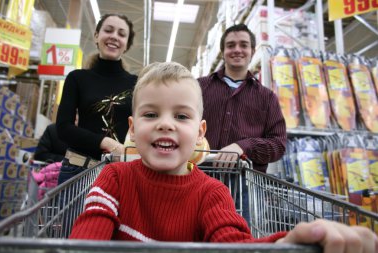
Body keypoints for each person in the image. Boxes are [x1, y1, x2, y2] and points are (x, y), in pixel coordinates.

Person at [69, 62, 378, 252]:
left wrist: (285, 245)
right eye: (151, 114)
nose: (166, 123)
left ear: (200, 132)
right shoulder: (115, 178)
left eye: (181, 115)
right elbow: (91, 229)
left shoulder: (212, 193)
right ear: (133, 130)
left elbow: (232, 242)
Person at [56, 13, 137, 184]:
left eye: (121, 34)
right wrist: (105, 142)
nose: (114, 36)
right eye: (108, 30)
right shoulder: (77, 78)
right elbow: (63, 127)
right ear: (96, 36)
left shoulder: (136, 84)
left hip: (119, 173)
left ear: (126, 45)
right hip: (76, 171)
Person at [198, 23, 286, 172]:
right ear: (223, 52)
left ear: (252, 51)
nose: (237, 50)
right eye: (231, 45)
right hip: (199, 177)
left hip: (244, 184)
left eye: (244, 45)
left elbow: (278, 144)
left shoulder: (267, 97)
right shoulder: (199, 87)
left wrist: (244, 146)